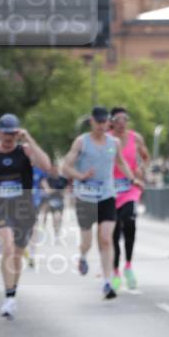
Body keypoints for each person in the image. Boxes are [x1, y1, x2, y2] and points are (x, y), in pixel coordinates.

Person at [0, 113, 51, 318]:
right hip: (0, 207)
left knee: (17, 254)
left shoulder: (26, 151)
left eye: (13, 133)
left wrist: (29, 138)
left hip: (24, 208)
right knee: (7, 245)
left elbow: (46, 165)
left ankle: (12, 293)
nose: (9, 137)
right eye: (5, 133)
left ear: (17, 133)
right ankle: (8, 296)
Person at [62, 106, 140, 300]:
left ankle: (107, 281)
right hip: (85, 197)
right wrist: (81, 176)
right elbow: (65, 167)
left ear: (108, 123)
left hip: (106, 195)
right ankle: (82, 256)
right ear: (91, 122)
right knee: (87, 241)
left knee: (106, 238)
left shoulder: (113, 142)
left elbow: (120, 163)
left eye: (105, 122)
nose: (102, 126)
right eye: (98, 122)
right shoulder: (81, 142)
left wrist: (132, 179)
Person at [108, 107, 150, 291]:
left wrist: (142, 168)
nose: (121, 122)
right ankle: (115, 271)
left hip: (130, 188)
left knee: (130, 222)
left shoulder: (136, 138)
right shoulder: (106, 138)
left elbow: (146, 157)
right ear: (111, 121)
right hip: (110, 190)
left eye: (125, 118)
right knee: (114, 233)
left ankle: (129, 266)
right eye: (117, 119)